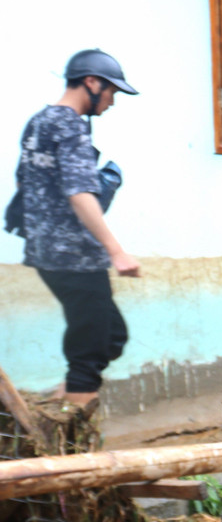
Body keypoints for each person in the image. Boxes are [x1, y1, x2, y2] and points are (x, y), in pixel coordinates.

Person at [9, 49, 140, 415]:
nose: (112, 102)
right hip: (75, 256)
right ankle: (66, 446)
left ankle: (58, 402)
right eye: (112, 92)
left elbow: (28, 182)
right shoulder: (70, 125)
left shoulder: (39, 122)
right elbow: (80, 193)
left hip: (46, 253)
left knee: (110, 336)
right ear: (91, 83)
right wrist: (116, 250)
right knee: (92, 349)